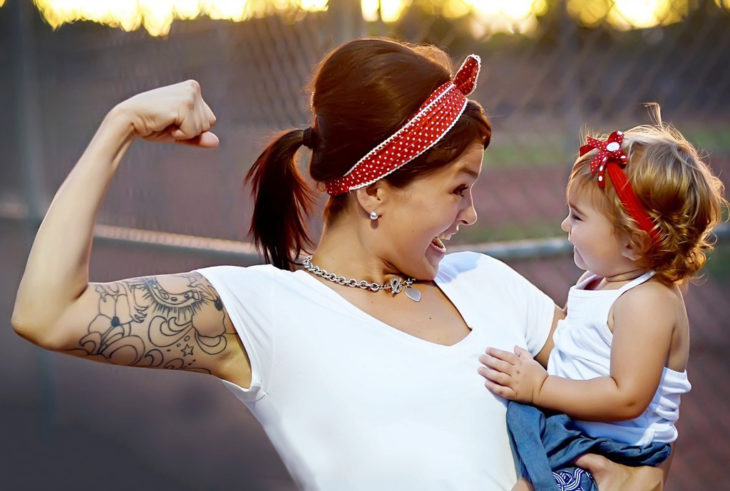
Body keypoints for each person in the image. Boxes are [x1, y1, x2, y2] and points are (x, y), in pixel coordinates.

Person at [12, 37, 662, 490]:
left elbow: (634, 406)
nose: (471, 214)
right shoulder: (262, 310)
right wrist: (120, 126)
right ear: (375, 189)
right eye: (459, 188)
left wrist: (637, 474)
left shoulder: (487, 281)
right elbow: (49, 312)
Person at [479, 108, 727, 490]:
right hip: (577, 430)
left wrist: (539, 387)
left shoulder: (647, 301)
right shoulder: (598, 280)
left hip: (617, 453)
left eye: (577, 217)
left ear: (633, 242)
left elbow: (627, 397)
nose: (564, 225)